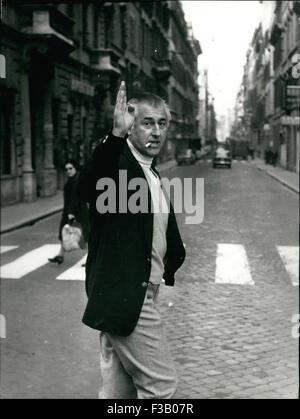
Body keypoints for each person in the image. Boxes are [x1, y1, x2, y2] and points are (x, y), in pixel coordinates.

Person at [78, 81, 186, 399]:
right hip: (127, 294)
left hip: (129, 293)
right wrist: (115, 137)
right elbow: (87, 187)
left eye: (162, 124)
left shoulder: (151, 171)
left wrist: (172, 256)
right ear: (131, 125)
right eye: (147, 123)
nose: (156, 132)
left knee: (117, 393)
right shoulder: (119, 164)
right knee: (161, 385)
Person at [49, 159, 90, 264]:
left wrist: (71, 213)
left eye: (70, 168)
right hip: (68, 212)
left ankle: (91, 259)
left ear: (75, 168)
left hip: (78, 213)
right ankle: (60, 255)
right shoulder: (71, 180)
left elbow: (75, 198)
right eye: (66, 169)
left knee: (85, 237)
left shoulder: (77, 181)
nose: (68, 171)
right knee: (64, 233)